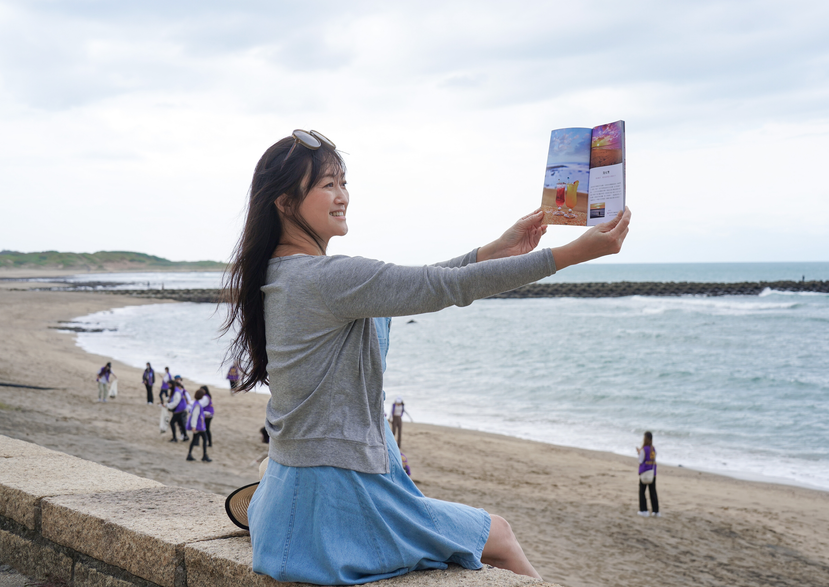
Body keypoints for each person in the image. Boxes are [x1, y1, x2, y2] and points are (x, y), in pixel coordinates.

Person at [223, 130, 629, 585]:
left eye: (343, 182)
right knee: (499, 535)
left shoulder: (280, 275)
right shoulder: (325, 278)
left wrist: (492, 252)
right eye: (327, 185)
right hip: (337, 496)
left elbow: (418, 283)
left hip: (293, 491)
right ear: (284, 202)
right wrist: (572, 255)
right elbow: (439, 287)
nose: (343, 197)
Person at [637, 431, 659, 518]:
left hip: (645, 473)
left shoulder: (644, 449)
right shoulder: (653, 449)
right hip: (652, 473)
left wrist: (639, 453)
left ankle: (644, 510)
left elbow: (640, 461)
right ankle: (656, 511)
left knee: (642, 492)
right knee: (653, 492)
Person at [186, 388, 212, 462]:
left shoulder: (196, 403)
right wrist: (193, 426)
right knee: (204, 439)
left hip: (198, 425)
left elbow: (197, 413)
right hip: (199, 425)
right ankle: (204, 455)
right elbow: (195, 415)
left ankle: (189, 454)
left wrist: (205, 413)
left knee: (194, 439)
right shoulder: (197, 405)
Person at [165, 378, 189, 442]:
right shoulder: (174, 390)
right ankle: (185, 436)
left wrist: (167, 405)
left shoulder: (176, 391)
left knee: (172, 423)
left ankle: (174, 438)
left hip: (179, 409)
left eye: (169, 385)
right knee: (180, 423)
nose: (168, 386)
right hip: (180, 409)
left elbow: (176, 402)